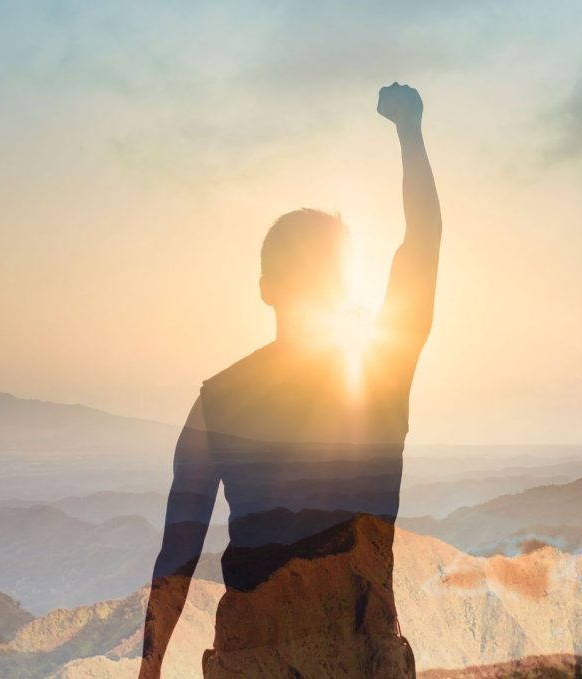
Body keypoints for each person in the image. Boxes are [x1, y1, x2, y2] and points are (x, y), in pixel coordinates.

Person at [139, 82, 440, 679]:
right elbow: (422, 246)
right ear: (344, 288)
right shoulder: (382, 375)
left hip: (254, 657)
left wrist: (149, 671)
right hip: (361, 652)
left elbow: (178, 550)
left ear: (264, 286)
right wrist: (411, 133)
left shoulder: (216, 402)